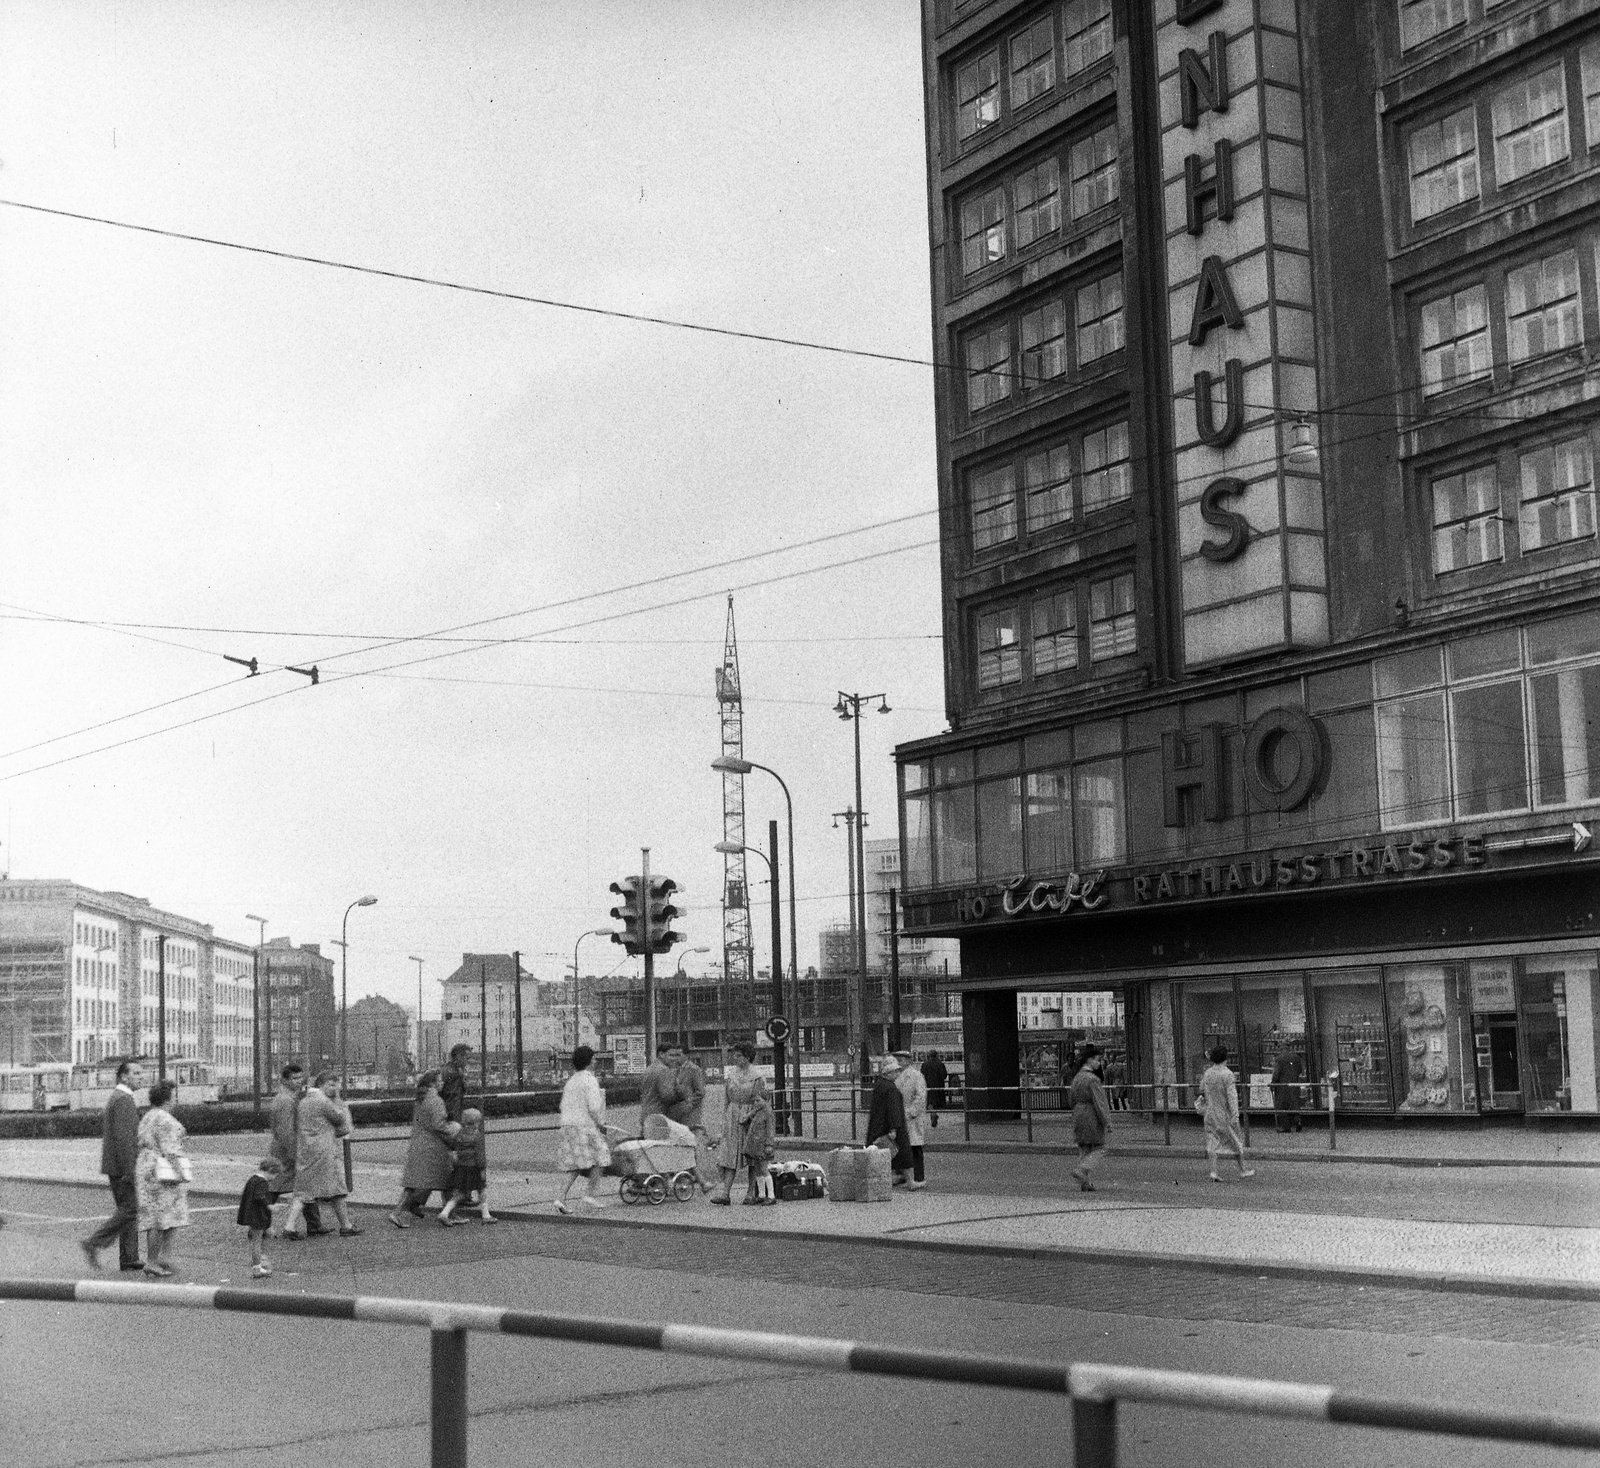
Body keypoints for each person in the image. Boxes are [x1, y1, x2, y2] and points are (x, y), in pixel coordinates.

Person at [81, 1058, 144, 1272]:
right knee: (130, 1209)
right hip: (122, 1167)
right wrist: (130, 1170)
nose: (141, 1077)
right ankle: (94, 1242)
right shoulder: (124, 1100)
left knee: (128, 1209)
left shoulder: (118, 1097)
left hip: (116, 1165)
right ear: (124, 1077)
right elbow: (125, 1139)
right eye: (136, 1073)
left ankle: (129, 1257)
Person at [389, 1070, 460, 1227]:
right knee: (448, 1180)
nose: (442, 1083)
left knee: (413, 1183)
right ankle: (450, 1214)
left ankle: (398, 1212)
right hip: (434, 1149)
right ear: (433, 1083)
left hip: (419, 1145)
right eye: (440, 1080)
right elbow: (439, 1125)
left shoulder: (421, 1099)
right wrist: (455, 1128)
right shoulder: (436, 1100)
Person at [134, 1080, 191, 1277]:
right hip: (162, 1171)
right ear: (167, 1099)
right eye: (174, 1096)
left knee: (158, 1216)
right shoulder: (166, 1119)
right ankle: (154, 1260)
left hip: (146, 1168)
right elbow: (170, 1150)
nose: (175, 1100)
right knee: (162, 1218)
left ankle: (160, 1258)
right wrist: (181, 1173)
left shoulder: (149, 1116)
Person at [296, 1074, 361, 1235]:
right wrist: (339, 1102)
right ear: (321, 1085)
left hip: (311, 1150)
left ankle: (309, 1225)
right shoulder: (325, 1102)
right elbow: (343, 1124)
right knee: (336, 1190)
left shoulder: (305, 1101)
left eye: (336, 1085)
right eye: (331, 1085)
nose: (335, 1088)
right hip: (325, 1151)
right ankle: (345, 1226)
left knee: (308, 1191)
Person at [268, 1064, 325, 1240]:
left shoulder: (287, 1098)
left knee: (302, 1185)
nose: (299, 1081)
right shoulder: (286, 1100)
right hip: (287, 1150)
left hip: (284, 1148)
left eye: (300, 1077)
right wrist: (295, 1152)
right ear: (285, 1080)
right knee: (278, 1187)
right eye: (294, 1078)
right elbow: (285, 1130)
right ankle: (259, 1224)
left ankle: (315, 1224)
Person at [555, 1046, 610, 1212]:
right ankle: (589, 1195)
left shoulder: (571, 1081)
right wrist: (601, 1124)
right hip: (584, 1126)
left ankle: (561, 1198)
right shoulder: (590, 1080)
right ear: (589, 1061)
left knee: (576, 1164)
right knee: (602, 1157)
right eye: (594, 1058)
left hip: (568, 1125)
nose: (596, 1061)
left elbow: (563, 1105)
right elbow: (594, 1107)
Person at [710, 1040, 767, 1204]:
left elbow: (763, 1102)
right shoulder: (731, 1074)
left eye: (739, 1056)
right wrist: (724, 1120)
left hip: (750, 1117)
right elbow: (726, 1099)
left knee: (752, 1155)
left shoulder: (757, 1076)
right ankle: (725, 1194)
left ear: (747, 1057)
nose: (735, 1058)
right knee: (730, 1154)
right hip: (733, 1116)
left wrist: (750, 1116)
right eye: (734, 1055)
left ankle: (750, 1193)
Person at [1197, 1045, 1257, 1182]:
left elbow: (1201, 1088)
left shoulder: (1208, 1073)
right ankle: (1243, 1170)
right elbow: (1232, 1096)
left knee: (1212, 1142)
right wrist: (1235, 1114)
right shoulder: (1227, 1074)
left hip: (1209, 1113)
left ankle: (1213, 1171)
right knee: (1235, 1141)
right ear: (1226, 1058)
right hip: (1224, 1114)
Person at [663, 1045, 716, 1191]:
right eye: (674, 1055)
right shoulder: (675, 1069)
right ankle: (688, 1176)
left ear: (686, 1055)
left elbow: (700, 1092)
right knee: (679, 1144)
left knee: (689, 1145)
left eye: (679, 1055)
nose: (676, 1058)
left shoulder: (694, 1069)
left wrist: (689, 1103)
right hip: (678, 1113)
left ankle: (692, 1177)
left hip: (690, 1113)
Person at [439, 1107, 495, 1225]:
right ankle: (486, 1215)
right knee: (481, 1191)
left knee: (460, 1193)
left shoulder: (459, 1135)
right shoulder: (477, 1136)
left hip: (461, 1167)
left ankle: (445, 1212)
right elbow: (480, 1155)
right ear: (476, 1123)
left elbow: (456, 1149)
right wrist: (482, 1169)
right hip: (474, 1168)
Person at [1069, 1044, 1112, 1192]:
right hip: (1091, 1114)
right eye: (1097, 1060)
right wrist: (1106, 1121)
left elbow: (1071, 1099)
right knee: (1100, 1147)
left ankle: (1085, 1183)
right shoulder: (1092, 1079)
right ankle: (1081, 1170)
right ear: (1089, 1060)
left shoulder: (1077, 1078)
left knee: (1084, 1148)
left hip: (1078, 1113)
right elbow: (1100, 1102)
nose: (1099, 1063)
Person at [865, 1053, 912, 1186]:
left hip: (879, 1126)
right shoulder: (891, 1089)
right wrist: (894, 1128)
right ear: (889, 1073)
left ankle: (892, 1178)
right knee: (902, 1153)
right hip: (891, 1127)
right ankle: (910, 1181)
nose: (898, 1074)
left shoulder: (879, 1085)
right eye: (896, 1071)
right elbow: (893, 1109)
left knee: (885, 1155)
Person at [237, 1156, 282, 1278]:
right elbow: (260, 1196)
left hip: (252, 1214)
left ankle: (261, 1259)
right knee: (257, 1241)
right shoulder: (262, 1182)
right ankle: (257, 1266)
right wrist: (270, 1206)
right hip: (258, 1216)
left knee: (268, 1234)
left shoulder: (253, 1179)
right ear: (270, 1170)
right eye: (275, 1175)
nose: (274, 1178)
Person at [893, 1049, 928, 1190]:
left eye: (900, 1060)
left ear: (908, 1061)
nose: (898, 1063)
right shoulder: (896, 1076)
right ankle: (902, 1175)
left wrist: (912, 1112)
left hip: (912, 1118)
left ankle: (919, 1176)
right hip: (900, 1116)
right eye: (897, 1060)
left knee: (915, 1147)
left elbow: (921, 1096)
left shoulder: (916, 1075)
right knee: (900, 1147)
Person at [741, 1086, 776, 1205]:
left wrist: (769, 1144)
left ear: (766, 1100)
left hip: (763, 1146)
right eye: (755, 1100)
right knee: (758, 1170)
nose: (755, 1103)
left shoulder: (768, 1112)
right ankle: (761, 1194)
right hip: (756, 1146)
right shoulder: (757, 1112)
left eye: (758, 1100)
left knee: (764, 1169)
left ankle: (771, 1195)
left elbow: (770, 1130)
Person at [637, 1046, 679, 1131]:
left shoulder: (649, 1069)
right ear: (661, 1054)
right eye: (671, 1055)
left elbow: (641, 1090)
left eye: (675, 1056)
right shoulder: (663, 1070)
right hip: (659, 1116)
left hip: (645, 1114)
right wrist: (680, 1095)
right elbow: (667, 1095)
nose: (674, 1059)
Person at [1271, 1048, 1306, 1133]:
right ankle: (1297, 1121)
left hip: (1282, 1086)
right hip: (1294, 1084)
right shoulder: (1296, 1057)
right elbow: (1300, 1070)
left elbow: (1276, 1073)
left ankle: (1285, 1126)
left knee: (1282, 1105)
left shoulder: (1279, 1059)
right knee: (1294, 1103)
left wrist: (1273, 1083)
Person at [440, 1044, 471, 1124]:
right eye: (467, 1058)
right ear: (458, 1056)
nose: (468, 1061)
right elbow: (452, 1097)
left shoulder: (454, 1071)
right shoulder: (451, 1073)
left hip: (451, 1113)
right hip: (450, 1115)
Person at [920, 1050, 949, 1129]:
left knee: (929, 1102)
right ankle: (934, 1113)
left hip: (928, 1086)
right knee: (937, 1102)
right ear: (936, 1055)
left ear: (929, 1056)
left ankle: (933, 1113)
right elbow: (944, 1075)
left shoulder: (925, 1064)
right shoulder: (940, 1064)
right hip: (939, 1086)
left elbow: (921, 1075)